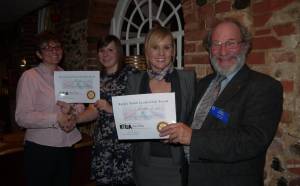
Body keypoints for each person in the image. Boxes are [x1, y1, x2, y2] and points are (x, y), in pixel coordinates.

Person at [159, 18, 283, 186]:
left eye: (230, 43)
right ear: (209, 50)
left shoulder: (264, 86)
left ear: (244, 46)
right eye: (216, 44)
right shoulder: (204, 83)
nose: (222, 51)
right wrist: (176, 133)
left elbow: (252, 141)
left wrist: (192, 137)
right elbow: (198, 125)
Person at [126, 26, 196, 186]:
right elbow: (128, 119)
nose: (161, 54)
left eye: (166, 47)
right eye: (155, 47)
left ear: (173, 51)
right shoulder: (134, 81)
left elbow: (194, 117)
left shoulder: (188, 79)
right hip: (145, 163)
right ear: (147, 52)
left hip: (176, 163)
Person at [15, 31, 81, 186]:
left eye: (57, 46)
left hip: (66, 145)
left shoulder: (66, 75)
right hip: (41, 149)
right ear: (39, 54)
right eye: (47, 47)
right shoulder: (30, 77)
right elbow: (22, 116)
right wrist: (56, 118)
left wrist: (74, 114)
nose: (54, 50)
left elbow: (78, 105)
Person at [76, 35, 137, 186]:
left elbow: (139, 109)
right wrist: (75, 119)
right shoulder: (95, 79)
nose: (105, 54)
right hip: (103, 145)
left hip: (126, 146)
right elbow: (93, 109)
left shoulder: (133, 75)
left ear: (119, 53)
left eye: (110, 50)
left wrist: (111, 108)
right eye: (102, 50)